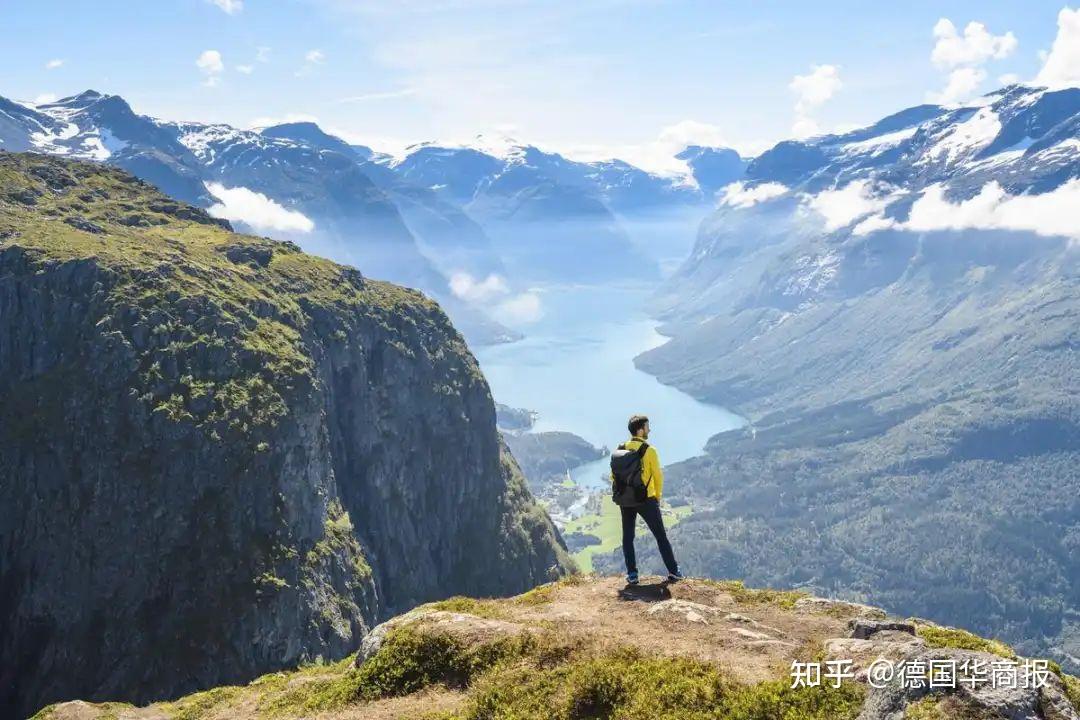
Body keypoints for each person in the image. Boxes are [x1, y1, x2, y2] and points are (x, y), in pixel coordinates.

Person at [616, 414, 683, 585]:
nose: (649, 429)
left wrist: (626, 492)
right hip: (646, 499)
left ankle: (632, 574)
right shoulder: (649, 450)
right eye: (647, 427)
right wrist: (657, 497)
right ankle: (673, 571)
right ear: (640, 429)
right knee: (660, 536)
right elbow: (657, 477)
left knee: (628, 537)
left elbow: (613, 476)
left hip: (626, 499)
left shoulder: (621, 448)